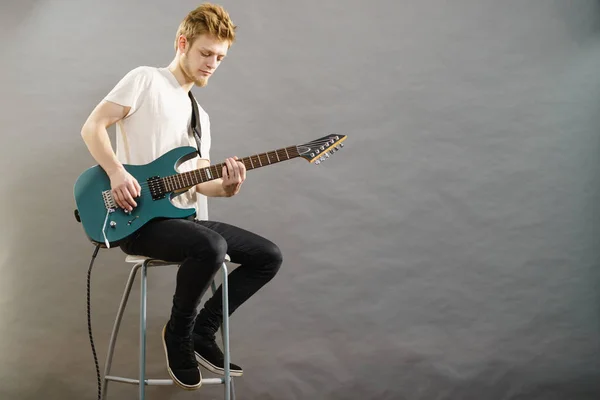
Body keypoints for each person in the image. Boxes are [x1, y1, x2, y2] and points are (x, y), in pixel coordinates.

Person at [80, 3, 283, 390]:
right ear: (182, 43)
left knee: (268, 256)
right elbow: (93, 127)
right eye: (206, 53)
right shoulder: (146, 80)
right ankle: (178, 335)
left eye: (220, 58)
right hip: (139, 220)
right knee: (211, 244)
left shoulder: (199, 116)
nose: (212, 64)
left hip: (185, 223)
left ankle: (203, 332)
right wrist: (116, 172)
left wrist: (228, 186)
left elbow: (199, 181)